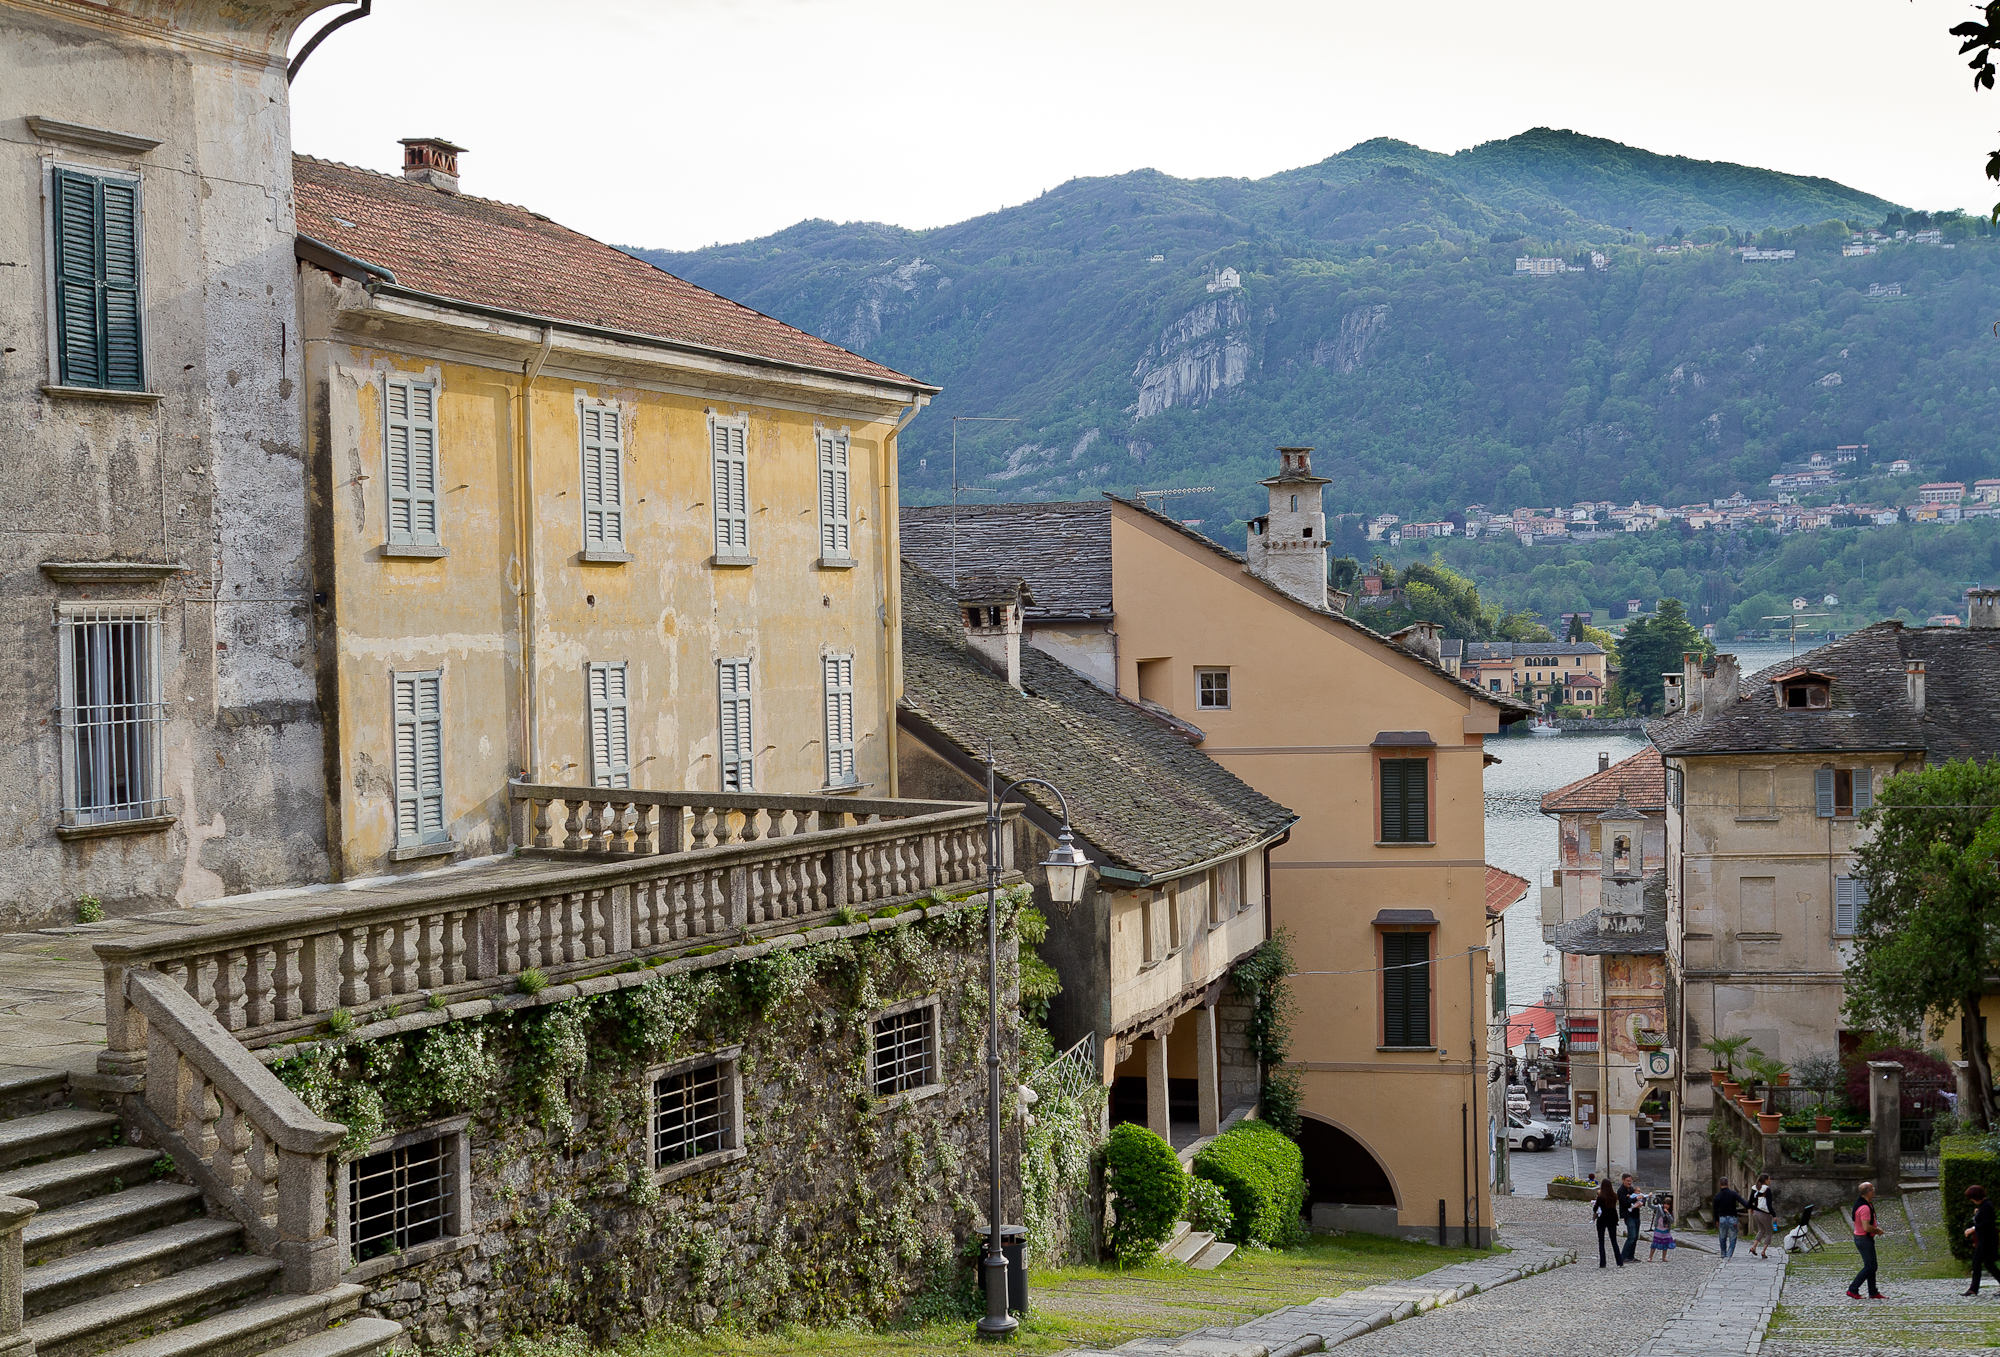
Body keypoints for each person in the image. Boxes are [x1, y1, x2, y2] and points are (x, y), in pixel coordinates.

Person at [1848, 1180, 1886, 1299]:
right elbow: (1866, 1227)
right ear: (1868, 1192)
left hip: (1864, 1239)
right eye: (1872, 1189)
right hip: (1863, 1239)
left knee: (1872, 1266)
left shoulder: (1864, 1203)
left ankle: (1873, 1291)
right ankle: (1853, 1289)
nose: (1874, 1191)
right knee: (1870, 1266)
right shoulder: (1864, 1207)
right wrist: (1878, 1230)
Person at [1964, 1185, 2000, 1294]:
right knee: (1979, 1263)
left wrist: (1973, 1229)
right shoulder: (1984, 1205)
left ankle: (1973, 1289)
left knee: (1988, 1264)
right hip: (1984, 1240)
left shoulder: (1987, 1205)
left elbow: (1988, 1223)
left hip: (1987, 1240)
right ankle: (1973, 1289)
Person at [1713, 1177, 1746, 1260]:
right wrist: (1750, 1207)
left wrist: (1717, 1220)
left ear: (1720, 1184)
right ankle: (1729, 1254)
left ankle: (1723, 1253)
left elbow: (1715, 1210)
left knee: (1722, 1237)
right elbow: (1743, 1201)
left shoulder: (1717, 1196)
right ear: (1728, 1183)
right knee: (1733, 1237)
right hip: (1732, 1218)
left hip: (1722, 1218)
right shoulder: (1733, 1194)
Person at [1594, 1180, 1624, 1268]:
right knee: (1614, 1241)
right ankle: (1619, 1261)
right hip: (1612, 1219)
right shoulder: (1614, 1196)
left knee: (1601, 1242)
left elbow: (1595, 1208)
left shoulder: (1601, 1197)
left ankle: (1603, 1263)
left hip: (1602, 1219)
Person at [1748, 1173, 1777, 1258]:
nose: (1770, 1180)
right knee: (1768, 1232)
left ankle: (1753, 1247)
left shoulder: (1754, 1188)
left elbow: (1750, 1202)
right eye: (1768, 1179)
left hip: (1756, 1213)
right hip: (1764, 1214)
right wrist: (1774, 1215)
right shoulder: (1767, 1190)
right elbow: (1768, 1204)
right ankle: (1763, 1251)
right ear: (1765, 1181)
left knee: (1761, 1230)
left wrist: (1752, 1209)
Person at [1618, 1173, 1644, 1263]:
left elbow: (1641, 1197)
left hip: (1636, 1215)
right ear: (1623, 1180)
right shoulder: (1621, 1191)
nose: (1629, 1182)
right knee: (1631, 1236)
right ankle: (1623, 1256)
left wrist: (1641, 1202)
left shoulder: (1633, 1189)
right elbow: (1625, 1202)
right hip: (1628, 1216)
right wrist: (1635, 1198)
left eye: (1630, 1181)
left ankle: (1631, 1256)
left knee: (1635, 1236)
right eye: (1627, 1181)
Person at [1648, 1192, 1676, 1261]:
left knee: (1665, 1244)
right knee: (1655, 1243)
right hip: (1658, 1228)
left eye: (1668, 1204)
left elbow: (1672, 1221)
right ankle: (1650, 1257)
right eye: (1665, 1204)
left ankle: (1664, 1257)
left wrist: (1668, 1213)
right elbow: (1650, 1206)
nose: (1666, 1206)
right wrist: (1649, 1197)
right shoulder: (1659, 1208)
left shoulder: (1670, 1213)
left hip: (1666, 1230)